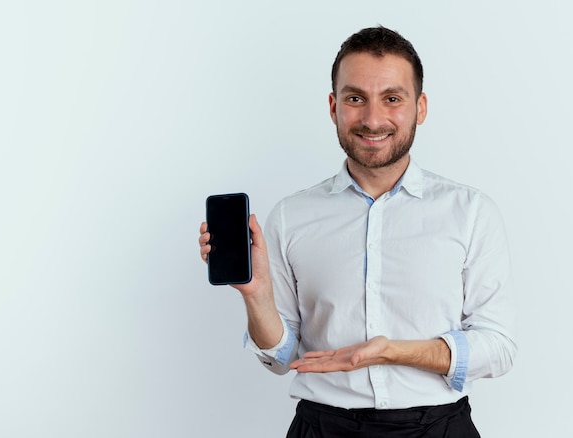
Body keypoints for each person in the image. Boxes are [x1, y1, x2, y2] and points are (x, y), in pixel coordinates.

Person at [199, 26, 516, 437]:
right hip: (323, 427)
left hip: (438, 427)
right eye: (355, 98)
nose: (372, 119)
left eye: (392, 98)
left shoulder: (471, 212)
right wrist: (256, 296)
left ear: (420, 107)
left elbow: (499, 349)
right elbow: (280, 359)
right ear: (333, 107)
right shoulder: (290, 216)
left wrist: (391, 352)